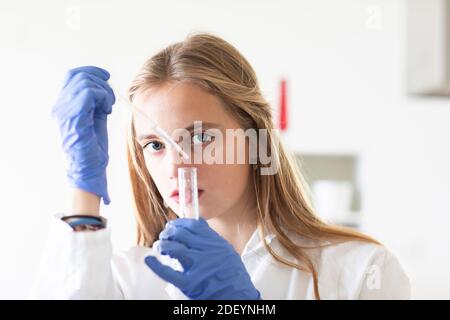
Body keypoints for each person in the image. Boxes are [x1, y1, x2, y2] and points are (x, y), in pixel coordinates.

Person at [31, 33, 410, 299]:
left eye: (199, 137)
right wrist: (83, 189)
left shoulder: (360, 272)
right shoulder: (130, 278)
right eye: (156, 145)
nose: (177, 165)